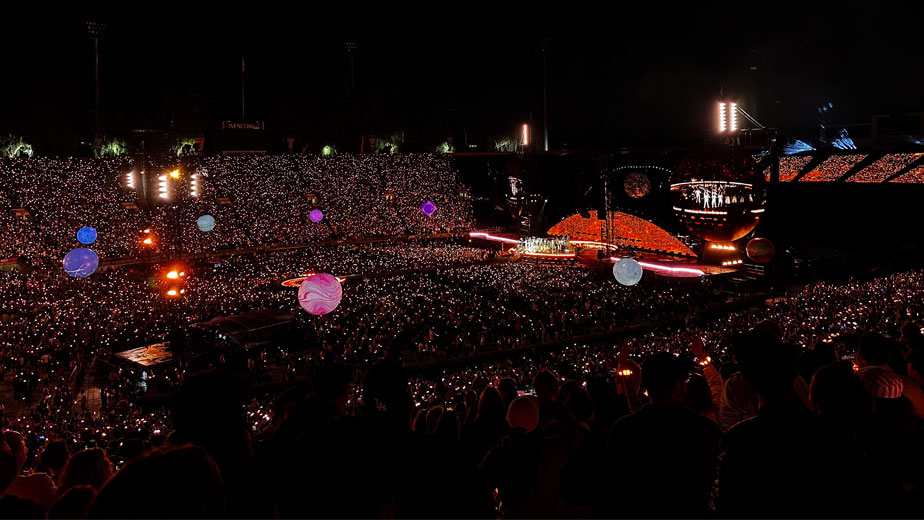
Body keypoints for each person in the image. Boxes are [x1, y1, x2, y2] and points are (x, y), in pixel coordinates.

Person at [715, 333, 868, 517]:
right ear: (794, 375)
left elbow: (728, 506)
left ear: (748, 383)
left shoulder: (739, 441)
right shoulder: (834, 432)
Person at [597, 352, 722, 518]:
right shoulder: (705, 429)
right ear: (679, 387)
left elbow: (608, 489)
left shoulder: (623, 430)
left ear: (646, 386)